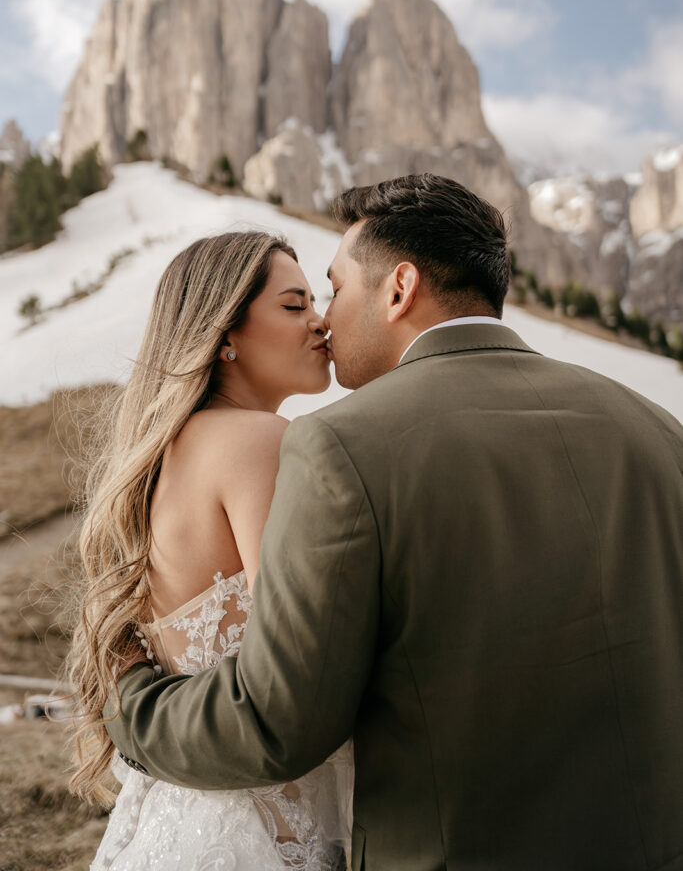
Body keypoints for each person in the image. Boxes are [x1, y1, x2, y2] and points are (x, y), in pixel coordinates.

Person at [106, 174, 683, 871]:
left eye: (336, 290)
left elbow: (280, 716)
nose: (325, 319)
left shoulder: (342, 446)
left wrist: (130, 704)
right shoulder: (656, 429)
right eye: (303, 302)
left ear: (400, 288)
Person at [67, 231, 352, 871]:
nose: (320, 321)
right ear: (225, 333)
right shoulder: (262, 442)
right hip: (266, 831)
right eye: (293, 305)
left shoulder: (160, 459)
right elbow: (305, 655)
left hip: (176, 819)